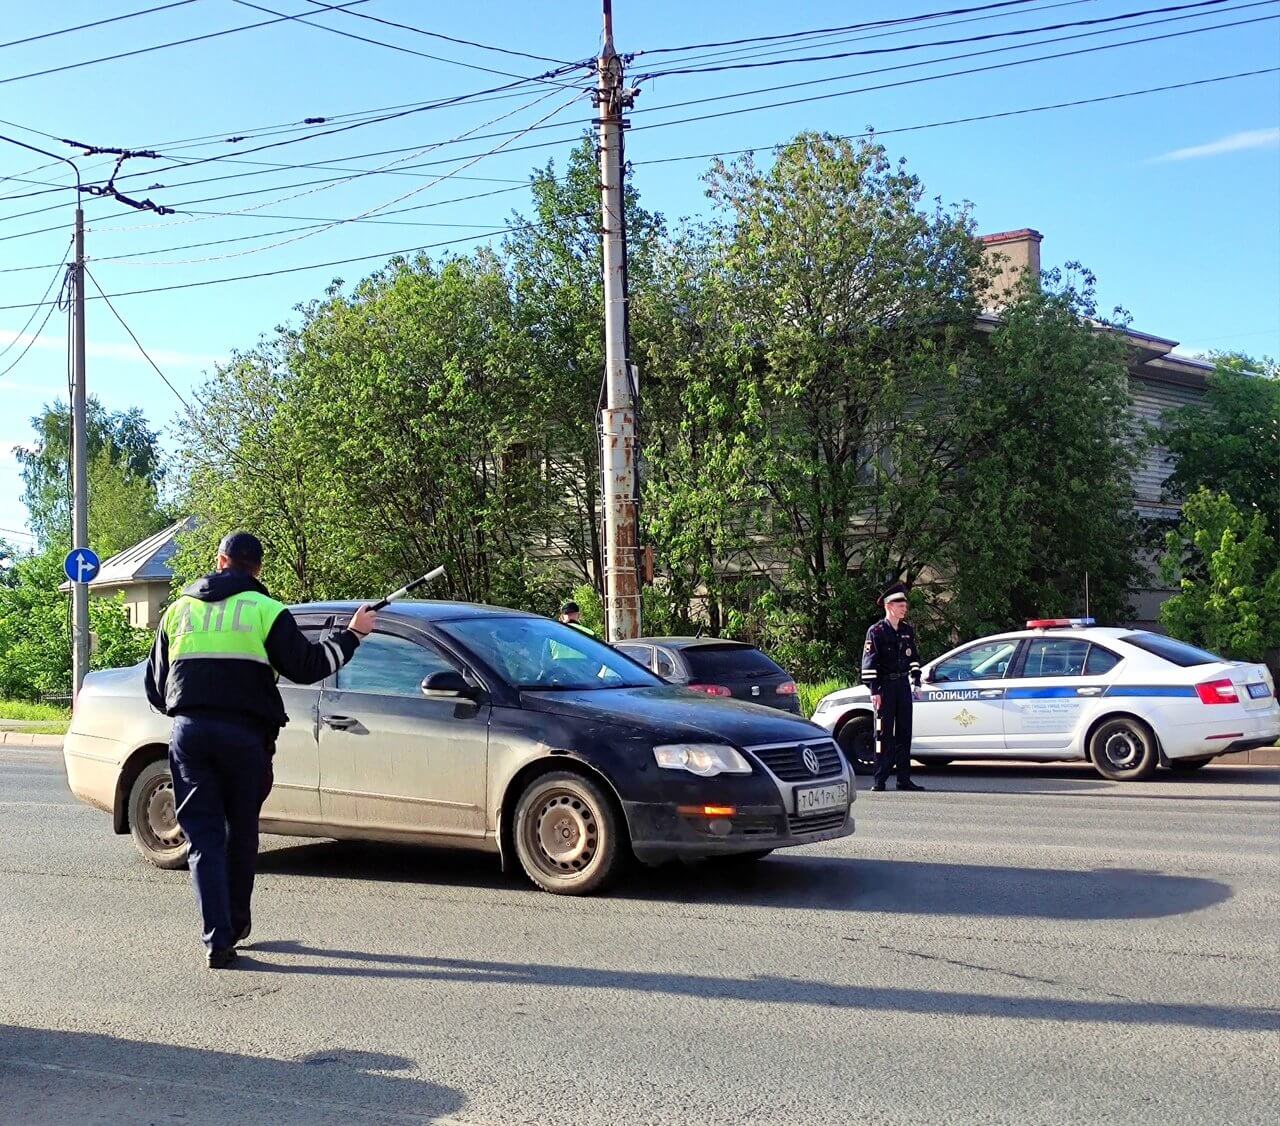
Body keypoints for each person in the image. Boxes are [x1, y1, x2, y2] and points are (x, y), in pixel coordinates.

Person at [144, 531, 376, 969]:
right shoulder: (267, 612)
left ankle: (216, 939)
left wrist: (190, 709)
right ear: (258, 568)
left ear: (220, 560)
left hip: (191, 734)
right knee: (241, 831)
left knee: (205, 838)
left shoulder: (178, 611)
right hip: (245, 738)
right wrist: (353, 635)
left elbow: (156, 690)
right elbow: (308, 668)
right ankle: (236, 923)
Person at [860, 581, 926, 792]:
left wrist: (916, 680)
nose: (904, 608)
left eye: (905, 605)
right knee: (882, 734)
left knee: (905, 732)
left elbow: (913, 658)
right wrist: (875, 690)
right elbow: (870, 662)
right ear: (889, 606)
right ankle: (880, 779)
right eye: (900, 605)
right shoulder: (876, 631)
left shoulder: (907, 630)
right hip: (885, 687)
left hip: (902, 686)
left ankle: (904, 779)